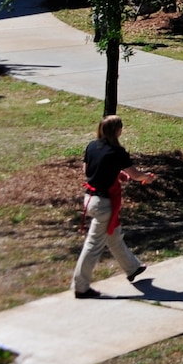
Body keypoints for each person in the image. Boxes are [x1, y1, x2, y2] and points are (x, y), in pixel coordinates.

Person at [72, 115, 151, 296]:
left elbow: (87, 170)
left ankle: (132, 268)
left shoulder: (92, 146)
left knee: (114, 236)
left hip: (90, 198)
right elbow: (136, 175)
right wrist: (147, 176)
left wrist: (112, 173)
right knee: (93, 245)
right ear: (117, 131)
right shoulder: (117, 152)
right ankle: (81, 287)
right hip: (104, 204)